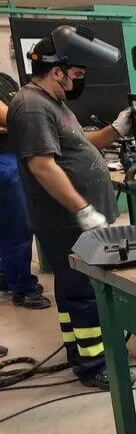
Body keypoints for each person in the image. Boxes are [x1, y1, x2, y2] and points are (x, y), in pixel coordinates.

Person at [6, 25, 135, 389]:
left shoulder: (53, 103)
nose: (79, 81)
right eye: (76, 74)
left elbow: (83, 142)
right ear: (57, 71)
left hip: (76, 220)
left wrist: (117, 128)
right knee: (83, 291)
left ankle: (78, 351)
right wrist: (83, 210)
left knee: (71, 288)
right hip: (66, 222)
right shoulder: (32, 106)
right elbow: (42, 165)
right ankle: (93, 366)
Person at [1, 98, 50, 309]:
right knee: (18, 226)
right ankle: (22, 288)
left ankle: (7, 275)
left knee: (9, 223)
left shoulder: (6, 81)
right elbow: (16, 119)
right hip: (5, 161)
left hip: (17, 153)